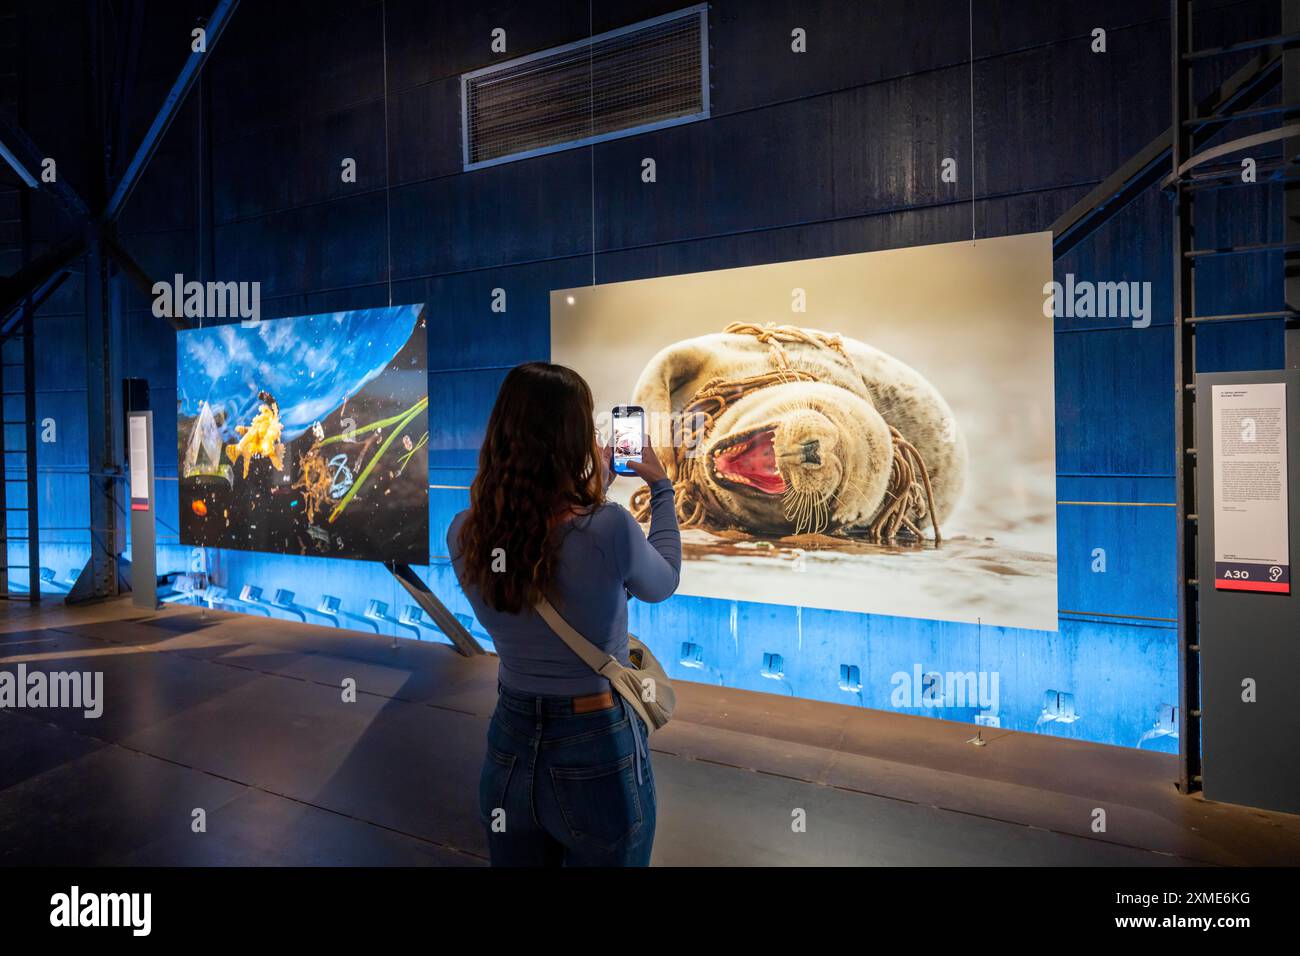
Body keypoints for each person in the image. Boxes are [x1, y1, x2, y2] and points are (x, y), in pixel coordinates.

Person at [448, 361, 681, 866]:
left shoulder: (464, 533)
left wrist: (588, 494)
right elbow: (661, 583)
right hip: (595, 743)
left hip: (508, 739)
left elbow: (542, 549)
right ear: (575, 437)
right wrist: (660, 487)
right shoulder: (610, 529)